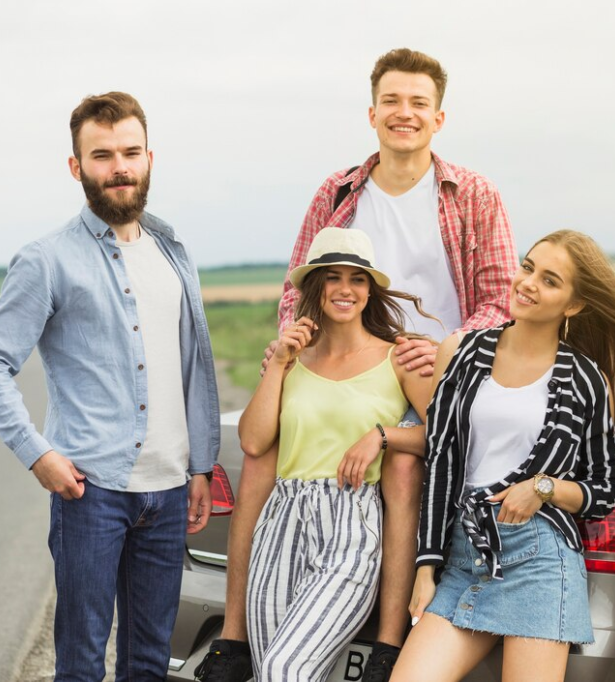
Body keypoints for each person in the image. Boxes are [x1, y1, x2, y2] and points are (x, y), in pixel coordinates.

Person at [196, 48, 517, 682]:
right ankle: (234, 636)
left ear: (439, 117)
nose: (405, 113)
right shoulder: (339, 190)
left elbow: (500, 297)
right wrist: (295, 342)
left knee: (399, 465)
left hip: (434, 373)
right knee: (262, 448)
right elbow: (298, 282)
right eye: (392, 101)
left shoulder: (471, 192)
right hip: (344, 357)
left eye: (418, 103)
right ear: (372, 113)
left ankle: (389, 643)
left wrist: (448, 345)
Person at [0, 92, 219, 681]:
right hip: (91, 491)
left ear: (150, 158)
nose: (119, 167)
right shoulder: (47, 259)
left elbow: (193, 367)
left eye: (130, 152)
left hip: (171, 488)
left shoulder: (172, 250)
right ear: (77, 167)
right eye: (101, 155)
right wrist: (38, 454)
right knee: (81, 664)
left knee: (150, 664)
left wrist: (201, 464)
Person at [390, 230, 615, 682]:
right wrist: (426, 566)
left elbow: (603, 489)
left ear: (572, 305)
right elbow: (441, 461)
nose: (528, 283)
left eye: (550, 280)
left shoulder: (586, 381)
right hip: (463, 556)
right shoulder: (463, 352)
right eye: (528, 267)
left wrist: (543, 487)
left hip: (539, 563)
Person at [232, 228, 433, 681]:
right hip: (280, 521)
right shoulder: (291, 361)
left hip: (349, 523)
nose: (346, 289)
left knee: (286, 668)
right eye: (333, 277)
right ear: (313, 287)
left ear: (369, 290)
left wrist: (383, 435)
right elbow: (253, 440)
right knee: (272, 672)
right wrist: (281, 362)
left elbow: (445, 436)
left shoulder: (397, 358)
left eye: (358, 279)